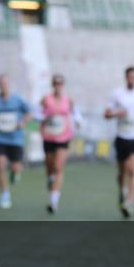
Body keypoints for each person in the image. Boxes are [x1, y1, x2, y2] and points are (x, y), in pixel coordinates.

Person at [104, 66, 134, 219]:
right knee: (121, 173)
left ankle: (129, 202)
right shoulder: (117, 94)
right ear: (125, 77)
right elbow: (106, 113)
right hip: (121, 136)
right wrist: (117, 113)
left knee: (132, 169)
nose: (131, 79)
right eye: (129, 77)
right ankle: (122, 192)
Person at [0, 74, 32, 209]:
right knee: (0, 166)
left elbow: (30, 113)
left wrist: (23, 122)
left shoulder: (18, 100)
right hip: (0, 139)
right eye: (1, 84)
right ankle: (5, 194)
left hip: (16, 139)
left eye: (5, 83)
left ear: (9, 84)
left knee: (16, 167)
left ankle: (15, 173)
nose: (3, 86)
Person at [40, 74, 76, 214]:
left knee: (58, 167)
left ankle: (53, 202)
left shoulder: (69, 100)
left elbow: (74, 114)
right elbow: (39, 114)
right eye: (55, 83)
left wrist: (78, 121)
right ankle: (50, 178)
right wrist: (41, 117)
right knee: (50, 168)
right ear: (52, 85)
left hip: (64, 137)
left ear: (63, 85)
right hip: (49, 137)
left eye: (60, 83)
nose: (58, 85)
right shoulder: (46, 100)